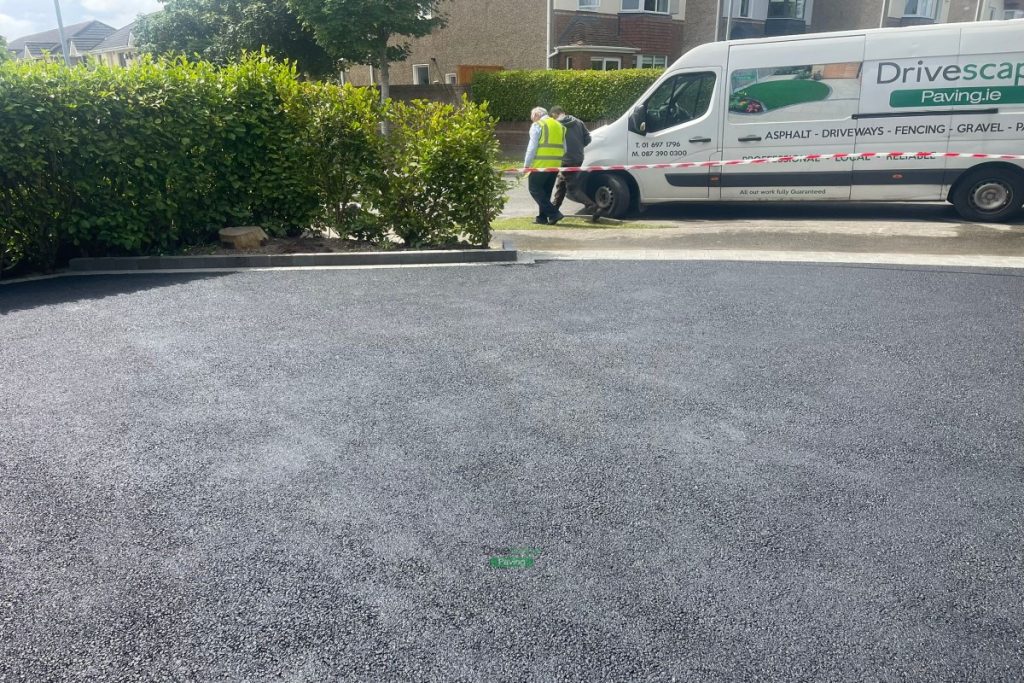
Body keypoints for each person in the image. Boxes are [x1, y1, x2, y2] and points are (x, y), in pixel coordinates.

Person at [549, 106, 599, 219]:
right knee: (561, 184)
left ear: (554, 115)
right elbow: (588, 139)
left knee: (572, 188)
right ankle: (553, 211)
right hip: (578, 158)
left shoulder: (556, 125)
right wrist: (578, 148)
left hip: (565, 159)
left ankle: (593, 208)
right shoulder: (579, 122)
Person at [522, 106, 566, 225]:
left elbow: (532, 148)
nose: (532, 120)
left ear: (536, 115)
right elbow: (565, 148)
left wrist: (526, 165)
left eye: (532, 117)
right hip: (555, 165)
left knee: (534, 189)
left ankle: (554, 214)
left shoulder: (538, 125)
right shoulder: (559, 126)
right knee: (546, 192)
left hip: (541, 165)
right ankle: (542, 218)